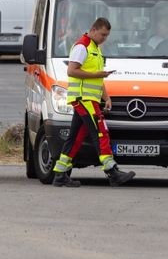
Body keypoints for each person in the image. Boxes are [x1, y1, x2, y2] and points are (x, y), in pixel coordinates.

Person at [52, 17, 136, 187]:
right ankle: (112, 172)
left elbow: (98, 77)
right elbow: (72, 71)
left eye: (107, 36)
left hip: (88, 99)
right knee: (101, 132)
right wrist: (98, 75)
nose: (104, 38)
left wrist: (107, 97)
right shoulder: (82, 46)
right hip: (84, 99)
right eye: (103, 34)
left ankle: (60, 174)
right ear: (94, 29)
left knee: (75, 138)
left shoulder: (94, 48)